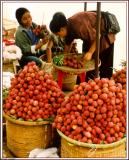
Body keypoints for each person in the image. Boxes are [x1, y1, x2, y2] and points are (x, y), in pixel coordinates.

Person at [49, 11, 119, 81]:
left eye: (58, 34)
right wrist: (62, 59)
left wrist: (90, 52)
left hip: (105, 35)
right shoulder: (68, 27)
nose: (59, 36)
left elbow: (98, 36)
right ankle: (88, 84)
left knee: (105, 68)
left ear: (62, 29)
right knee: (88, 68)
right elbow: (67, 45)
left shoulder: (78, 25)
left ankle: (105, 86)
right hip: (93, 39)